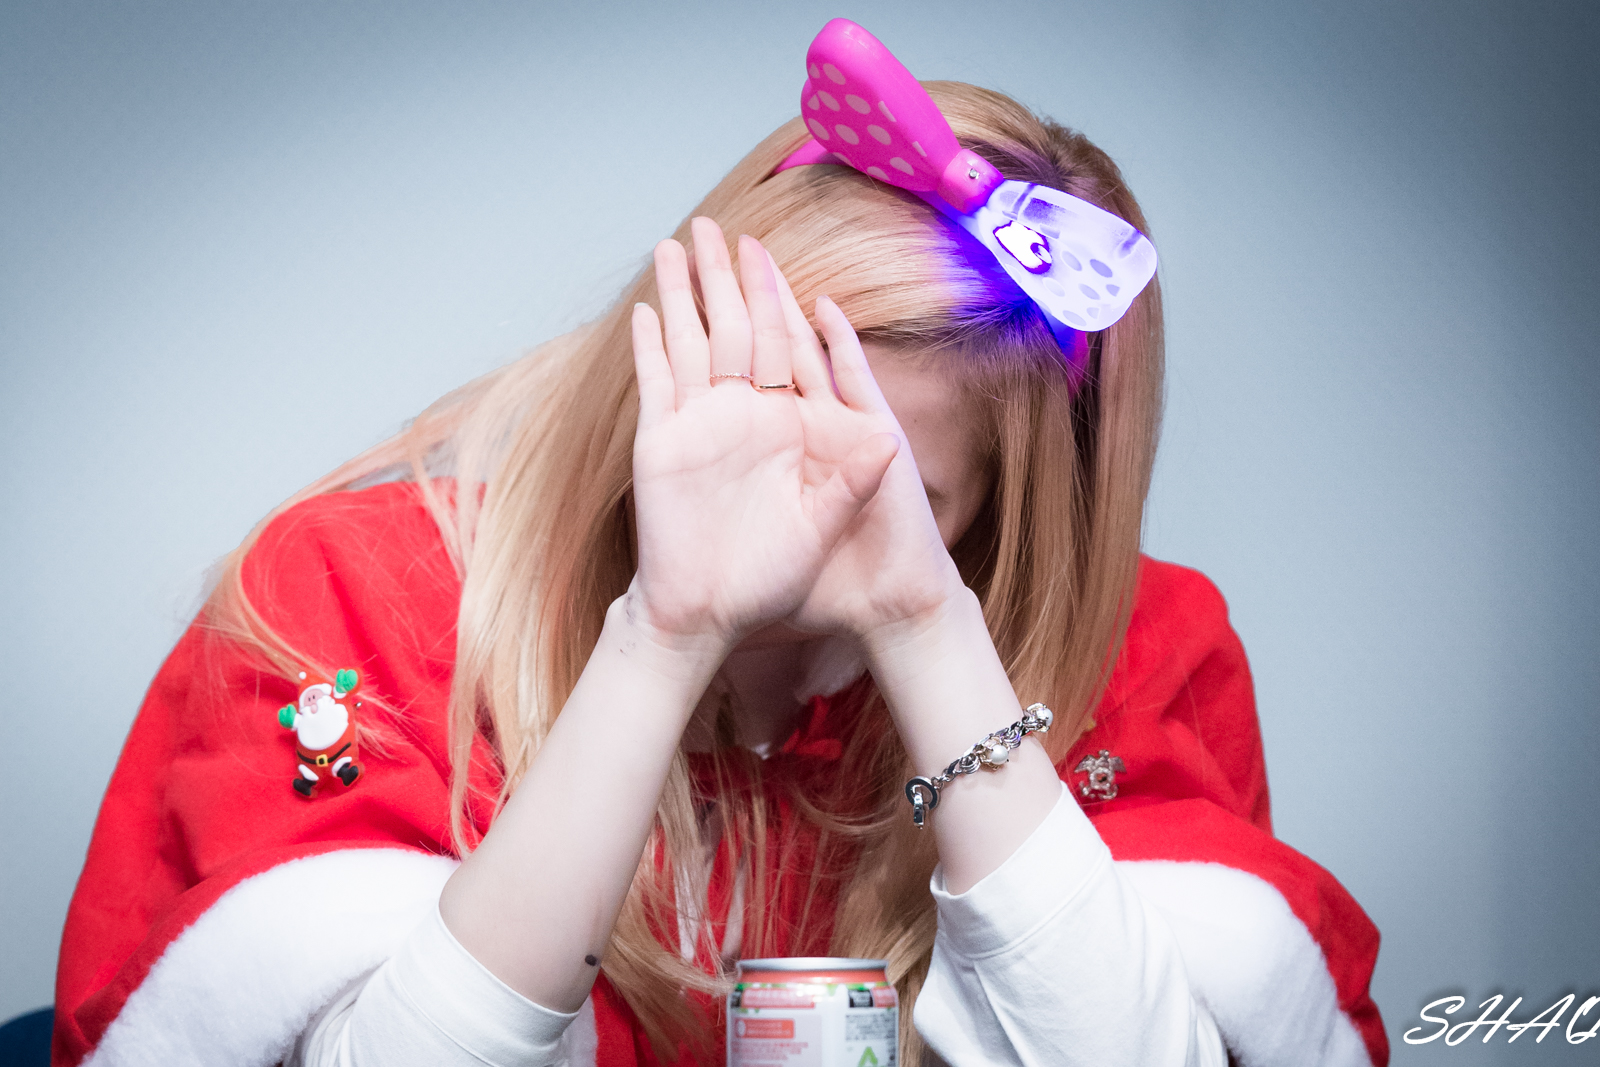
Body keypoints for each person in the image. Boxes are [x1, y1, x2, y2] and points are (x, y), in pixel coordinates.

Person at [51, 25, 1387, 1067]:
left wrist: (923, 627)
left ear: (999, 516)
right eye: (755, 420)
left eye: (888, 491)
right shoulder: (354, 595)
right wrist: (661, 637)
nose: (788, 516)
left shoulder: (1140, 653)